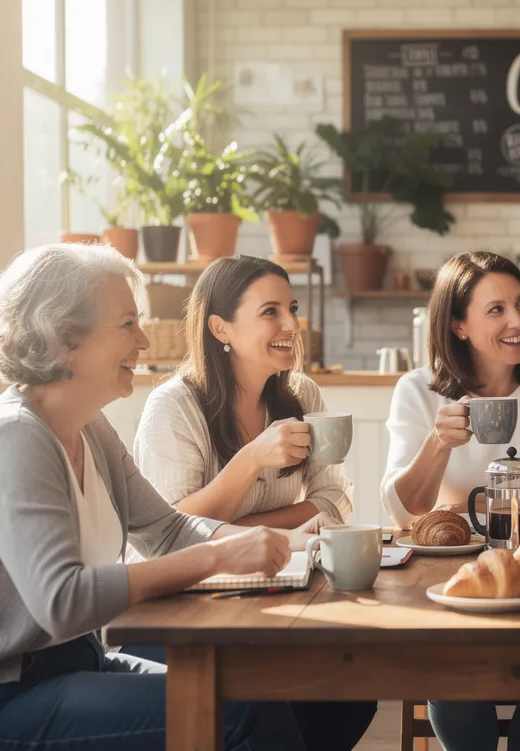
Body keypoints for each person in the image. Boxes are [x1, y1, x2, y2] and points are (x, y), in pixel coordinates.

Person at [0, 244, 313, 750]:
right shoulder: (10, 438)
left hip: (72, 667)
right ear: (64, 338)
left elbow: (166, 529)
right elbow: (63, 601)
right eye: (127, 324)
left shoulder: (88, 427)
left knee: (257, 696)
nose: (144, 340)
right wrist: (219, 556)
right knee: (242, 714)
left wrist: (287, 543)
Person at [131, 255, 374, 750]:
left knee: (353, 691)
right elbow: (170, 533)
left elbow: (335, 501)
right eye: (270, 312)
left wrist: (257, 533)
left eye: (292, 308)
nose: (291, 325)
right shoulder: (174, 406)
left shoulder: (302, 395)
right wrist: (251, 461)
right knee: (280, 703)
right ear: (220, 327)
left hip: (274, 592)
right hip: (182, 608)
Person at [381, 251, 520, 751]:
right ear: (457, 325)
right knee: (455, 681)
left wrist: (466, 508)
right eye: (496, 309)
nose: (518, 321)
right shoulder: (417, 390)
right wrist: (437, 445)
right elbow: (403, 512)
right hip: (449, 585)